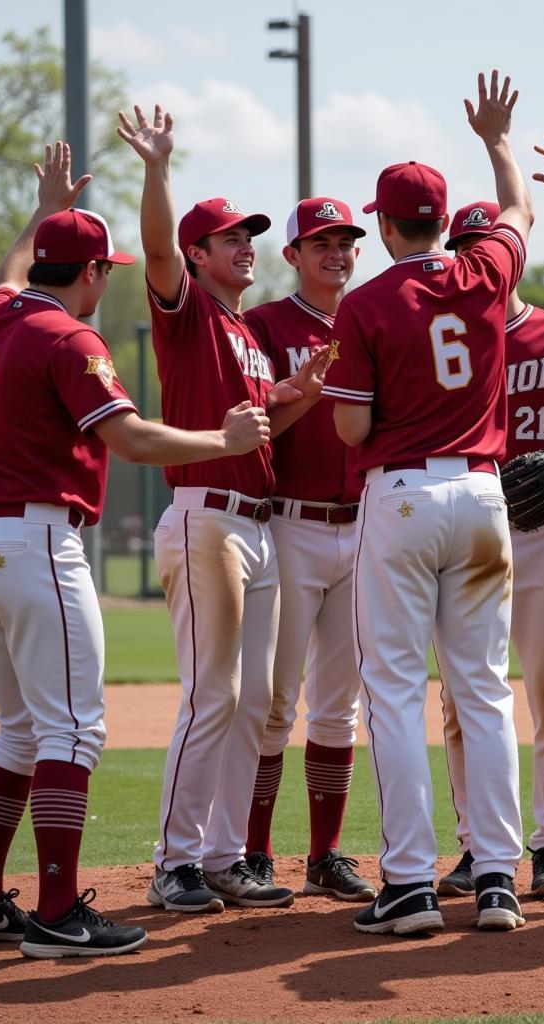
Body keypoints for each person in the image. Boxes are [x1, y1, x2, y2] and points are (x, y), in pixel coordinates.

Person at [0, 142, 272, 959]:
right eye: (104, 268)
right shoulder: (69, 340)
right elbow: (129, 439)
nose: (109, 278)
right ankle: (58, 914)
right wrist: (220, 436)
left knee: (19, 729)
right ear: (89, 272)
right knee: (73, 731)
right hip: (34, 544)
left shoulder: (1, 315)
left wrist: (43, 208)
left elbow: (13, 267)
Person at [324, 70, 533, 936]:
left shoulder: (367, 301)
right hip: (484, 496)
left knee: (396, 693)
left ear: (381, 224)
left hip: (402, 496)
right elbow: (518, 212)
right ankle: (496, 879)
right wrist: (496, 142)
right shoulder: (485, 272)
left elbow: (349, 426)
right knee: (481, 693)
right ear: (446, 222)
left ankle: (409, 884)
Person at [118, 104, 331, 915]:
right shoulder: (190, 310)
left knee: (253, 703)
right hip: (206, 516)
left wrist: (299, 399)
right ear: (199, 255)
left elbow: (257, 426)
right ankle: (173, 861)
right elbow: (162, 250)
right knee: (213, 695)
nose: (246, 246)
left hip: (257, 525)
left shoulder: (243, 330)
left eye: (250, 236)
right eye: (230, 238)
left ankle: (222, 856)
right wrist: (157, 169)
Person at [434, 200, 544, 903]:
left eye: (488, 243)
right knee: (462, 702)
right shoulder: (446, 339)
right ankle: (479, 847)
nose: (479, 256)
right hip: (470, 537)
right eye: (465, 246)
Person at [242, 198, 377, 902]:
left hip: (364, 525)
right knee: (272, 701)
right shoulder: (263, 325)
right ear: (291, 255)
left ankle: (325, 854)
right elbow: (252, 422)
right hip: (288, 525)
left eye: (347, 240)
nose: (338, 251)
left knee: (338, 706)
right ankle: (254, 851)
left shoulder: (374, 319)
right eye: (321, 241)